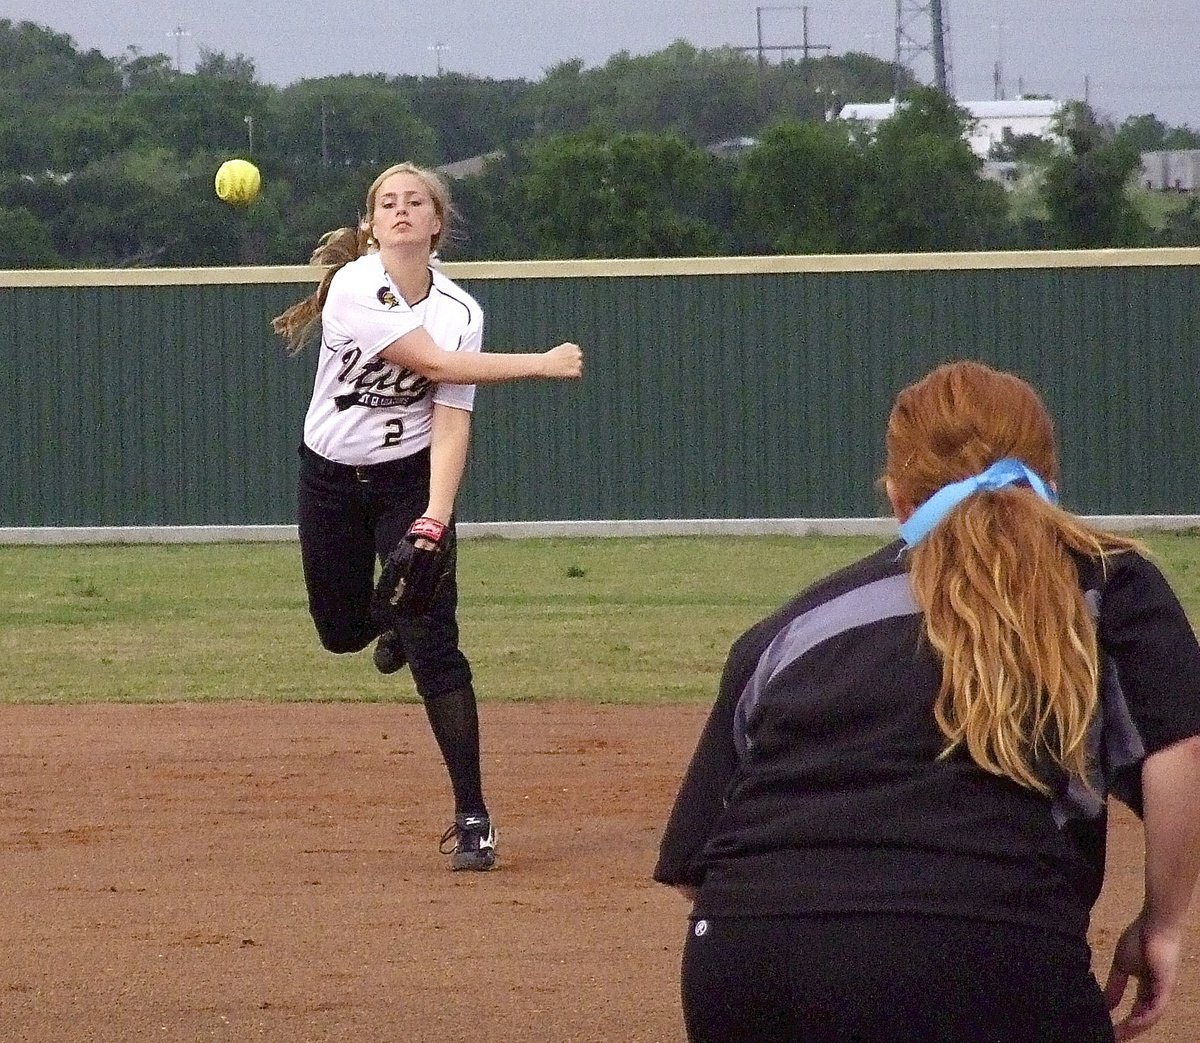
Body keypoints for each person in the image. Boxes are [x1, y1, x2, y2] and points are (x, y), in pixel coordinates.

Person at [654, 360, 1200, 1042]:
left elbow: (695, 861)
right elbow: (1182, 748)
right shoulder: (1105, 583)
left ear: (898, 499)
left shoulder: (792, 628)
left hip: (744, 954)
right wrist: (1163, 923)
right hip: (983, 944)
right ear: (1049, 481)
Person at [272, 162, 583, 872]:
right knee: (340, 630)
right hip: (329, 478)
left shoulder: (460, 309)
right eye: (389, 202)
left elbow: (449, 419)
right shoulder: (356, 286)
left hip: (407, 478)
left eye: (417, 201)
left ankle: (472, 814)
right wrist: (538, 364)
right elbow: (435, 365)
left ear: (438, 223)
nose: (403, 210)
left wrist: (434, 520)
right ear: (372, 223)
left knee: (436, 643)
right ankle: (391, 622)